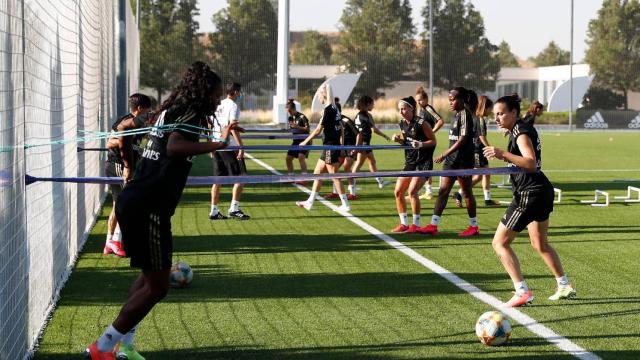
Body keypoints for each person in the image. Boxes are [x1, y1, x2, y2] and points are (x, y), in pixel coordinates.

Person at [86, 61, 239, 359]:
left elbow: (129, 134)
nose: (219, 99)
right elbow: (174, 147)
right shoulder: (190, 115)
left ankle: (123, 347)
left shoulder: (171, 111)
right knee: (157, 287)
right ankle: (102, 347)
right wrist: (216, 144)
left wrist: (130, 165)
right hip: (149, 207)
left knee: (147, 279)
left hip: (137, 200)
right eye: (217, 94)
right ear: (204, 92)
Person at [483, 94, 575, 307]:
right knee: (539, 243)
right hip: (541, 191)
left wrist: (502, 154)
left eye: (501, 113)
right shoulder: (518, 128)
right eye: (495, 114)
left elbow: (530, 163)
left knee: (499, 243)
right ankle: (564, 284)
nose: (497, 118)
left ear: (513, 113)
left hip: (530, 194)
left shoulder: (521, 132)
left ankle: (521, 291)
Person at [419, 87, 479, 237]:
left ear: (462, 100)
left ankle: (473, 227)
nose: (450, 102)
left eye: (453, 99)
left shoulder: (466, 115)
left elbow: (463, 139)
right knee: (443, 191)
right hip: (452, 161)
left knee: (466, 193)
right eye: (449, 100)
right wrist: (448, 156)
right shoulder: (457, 115)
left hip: (463, 161)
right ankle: (433, 225)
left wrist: (444, 153)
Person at [104, 93, 152, 257]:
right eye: (147, 110)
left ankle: (109, 242)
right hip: (118, 165)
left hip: (126, 166)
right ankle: (116, 240)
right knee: (125, 204)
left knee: (119, 203)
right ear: (140, 109)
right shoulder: (124, 122)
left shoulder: (141, 123)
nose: (148, 113)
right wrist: (125, 139)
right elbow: (109, 142)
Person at [295, 83, 350, 212]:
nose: (318, 97)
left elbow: (318, 130)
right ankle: (310, 202)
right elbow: (341, 127)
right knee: (317, 173)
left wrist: (305, 142)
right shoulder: (334, 108)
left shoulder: (328, 109)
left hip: (330, 146)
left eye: (318, 94)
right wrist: (341, 145)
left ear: (323, 95)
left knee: (334, 176)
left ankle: (345, 204)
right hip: (331, 146)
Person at [390, 96, 436, 233]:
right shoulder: (402, 123)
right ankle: (404, 223)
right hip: (410, 162)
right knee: (398, 192)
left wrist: (421, 144)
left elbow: (433, 141)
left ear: (411, 108)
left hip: (423, 163)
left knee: (412, 191)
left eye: (404, 109)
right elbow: (407, 140)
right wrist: (399, 139)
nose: (401, 112)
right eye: (399, 109)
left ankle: (416, 225)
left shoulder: (422, 123)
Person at [208, 82, 250, 220]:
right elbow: (231, 127)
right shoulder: (233, 106)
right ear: (236, 92)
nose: (240, 94)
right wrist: (240, 147)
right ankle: (234, 209)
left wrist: (210, 144)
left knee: (217, 179)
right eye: (239, 92)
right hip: (228, 145)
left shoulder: (219, 104)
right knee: (241, 176)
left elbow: (210, 124)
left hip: (216, 144)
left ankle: (214, 211)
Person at [452, 95, 499, 207]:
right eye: (490, 109)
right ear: (485, 108)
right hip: (478, 150)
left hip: (479, 150)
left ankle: (487, 199)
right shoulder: (480, 119)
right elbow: (482, 137)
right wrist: (490, 149)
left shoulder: (475, 118)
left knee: (485, 174)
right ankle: (459, 193)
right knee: (480, 175)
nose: (491, 111)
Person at [351, 95, 391, 191]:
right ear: (367, 104)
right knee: (358, 165)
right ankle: (351, 186)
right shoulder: (366, 116)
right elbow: (374, 130)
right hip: (363, 144)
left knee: (372, 162)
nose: (373, 106)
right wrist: (385, 136)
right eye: (372, 104)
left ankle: (380, 181)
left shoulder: (358, 115)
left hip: (364, 143)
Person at [415, 86, 444, 200]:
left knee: (425, 166)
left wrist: (432, 132)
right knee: (423, 165)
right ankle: (428, 190)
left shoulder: (428, 108)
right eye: (417, 100)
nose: (419, 102)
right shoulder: (420, 110)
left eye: (421, 100)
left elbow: (441, 121)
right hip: (422, 142)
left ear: (426, 100)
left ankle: (428, 191)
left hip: (428, 142)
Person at [285, 99, 310, 181]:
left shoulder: (302, 117)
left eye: (289, 110)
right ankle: (291, 177)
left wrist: (297, 127)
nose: (288, 112)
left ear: (293, 109)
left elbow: (307, 129)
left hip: (305, 140)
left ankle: (304, 179)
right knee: (288, 158)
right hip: (296, 141)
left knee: (301, 157)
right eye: (287, 111)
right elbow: (292, 129)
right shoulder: (290, 118)